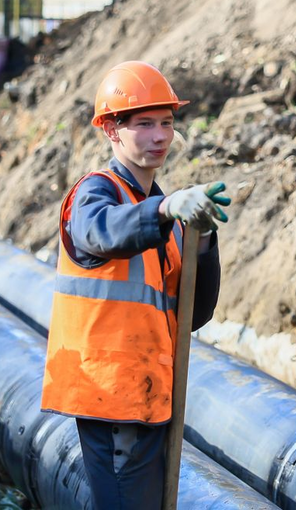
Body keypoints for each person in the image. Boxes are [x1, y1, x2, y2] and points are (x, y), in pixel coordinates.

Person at [41, 61, 231, 508]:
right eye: (143, 124)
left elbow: (192, 313)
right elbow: (100, 231)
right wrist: (165, 213)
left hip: (148, 393)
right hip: (111, 398)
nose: (160, 136)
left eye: (166, 123)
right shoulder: (96, 193)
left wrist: (202, 241)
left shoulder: (163, 210)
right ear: (111, 130)